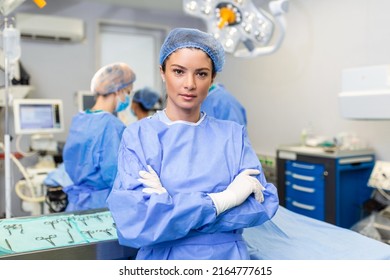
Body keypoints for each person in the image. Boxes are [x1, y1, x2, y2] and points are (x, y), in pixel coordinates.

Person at [107, 28, 279, 260]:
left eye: (201, 74)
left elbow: (262, 205)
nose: (190, 84)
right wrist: (222, 200)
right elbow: (135, 222)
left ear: (212, 78)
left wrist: (169, 208)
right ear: (162, 72)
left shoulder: (232, 135)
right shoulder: (139, 136)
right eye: (179, 71)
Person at [62, 62, 136, 212]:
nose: (127, 98)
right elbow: (116, 175)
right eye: (127, 92)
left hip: (76, 205)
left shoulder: (79, 119)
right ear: (118, 91)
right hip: (101, 206)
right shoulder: (111, 126)